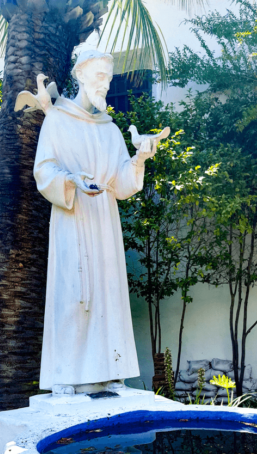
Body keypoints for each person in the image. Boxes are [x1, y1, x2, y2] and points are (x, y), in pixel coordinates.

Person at [34, 50, 157, 395]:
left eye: (108, 76)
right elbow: (43, 170)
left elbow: (120, 184)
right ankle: (66, 377)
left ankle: (109, 373)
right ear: (82, 76)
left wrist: (139, 159)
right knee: (74, 294)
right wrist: (71, 180)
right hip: (73, 220)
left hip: (103, 222)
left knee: (107, 294)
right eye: (100, 75)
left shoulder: (110, 129)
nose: (106, 83)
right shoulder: (57, 120)